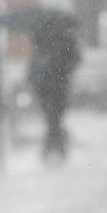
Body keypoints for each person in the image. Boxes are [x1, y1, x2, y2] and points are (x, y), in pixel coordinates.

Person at [26, 9, 81, 160]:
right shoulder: (66, 40)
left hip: (45, 83)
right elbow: (75, 59)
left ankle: (52, 146)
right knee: (55, 116)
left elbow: (34, 63)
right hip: (58, 83)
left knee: (51, 116)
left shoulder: (44, 42)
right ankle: (55, 146)